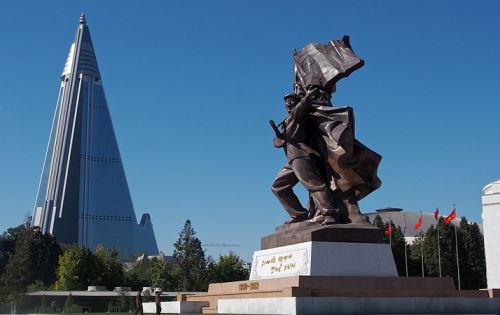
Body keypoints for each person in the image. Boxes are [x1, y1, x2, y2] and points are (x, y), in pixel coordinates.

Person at [271, 87, 340, 225]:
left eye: (291, 102)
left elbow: (302, 107)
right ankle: (299, 215)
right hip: (292, 159)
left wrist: (308, 96)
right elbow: (281, 142)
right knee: (278, 186)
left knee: (313, 184)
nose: (289, 105)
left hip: (302, 155)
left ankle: (330, 213)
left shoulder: (298, 115)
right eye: (286, 103)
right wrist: (279, 137)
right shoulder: (286, 120)